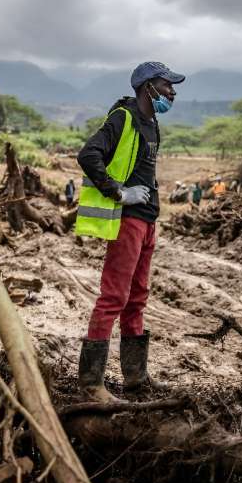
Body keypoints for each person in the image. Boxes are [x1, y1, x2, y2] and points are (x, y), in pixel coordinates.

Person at [75, 61, 185, 402]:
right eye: (167, 86)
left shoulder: (151, 123)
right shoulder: (122, 118)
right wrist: (118, 191)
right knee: (114, 297)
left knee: (137, 297)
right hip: (128, 220)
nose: (172, 92)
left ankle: (136, 378)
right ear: (147, 87)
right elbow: (88, 154)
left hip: (148, 220)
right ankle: (92, 384)